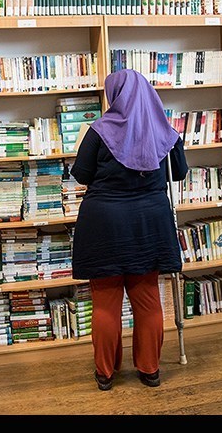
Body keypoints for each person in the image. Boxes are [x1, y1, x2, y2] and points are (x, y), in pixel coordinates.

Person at [70, 68, 188, 391]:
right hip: (149, 224)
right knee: (147, 299)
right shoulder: (165, 130)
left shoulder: (98, 130)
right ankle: (150, 370)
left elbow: (81, 174)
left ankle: (105, 374)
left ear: (114, 95)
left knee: (105, 303)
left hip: (103, 224)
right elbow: (179, 172)